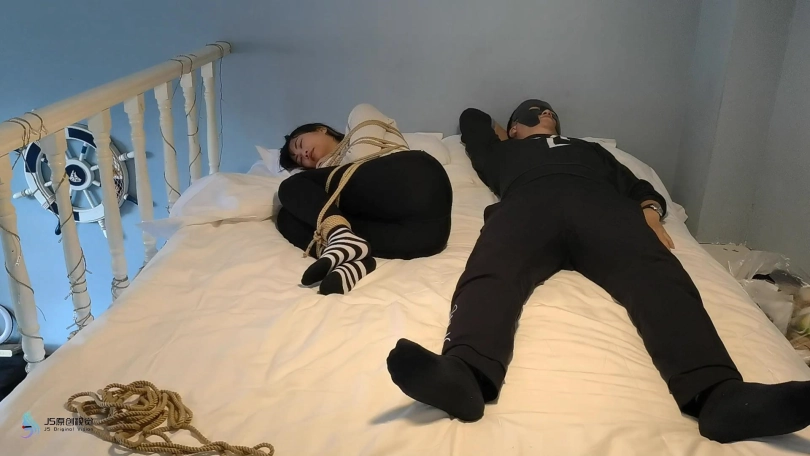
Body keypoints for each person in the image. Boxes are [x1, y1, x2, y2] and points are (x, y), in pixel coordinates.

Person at [386, 99, 810, 443]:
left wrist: (649, 212)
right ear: (512, 128)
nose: (546, 112)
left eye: (550, 111)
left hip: (602, 207)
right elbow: (472, 119)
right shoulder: (499, 152)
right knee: (491, 269)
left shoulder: (590, 150)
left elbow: (636, 185)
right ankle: (464, 372)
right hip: (527, 204)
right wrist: (511, 132)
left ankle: (719, 394)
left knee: (658, 276)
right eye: (534, 111)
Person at [276, 104, 453, 295]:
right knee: (286, 217)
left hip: (415, 179)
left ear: (320, 129)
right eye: (299, 160)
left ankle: (340, 238)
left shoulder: (361, 113)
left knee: (290, 187)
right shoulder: (328, 183)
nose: (303, 154)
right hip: (427, 237)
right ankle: (355, 258)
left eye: (300, 144)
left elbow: (362, 156)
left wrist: (318, 174)